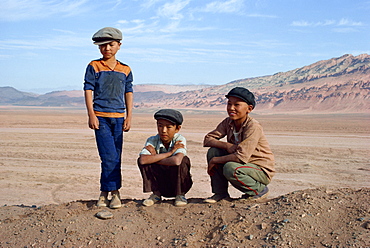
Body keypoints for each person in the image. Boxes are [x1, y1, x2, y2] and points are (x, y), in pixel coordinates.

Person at [83, 27, 133, 209]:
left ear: (119, 45)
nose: (107, 49)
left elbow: (128, 92)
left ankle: (108, 193)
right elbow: (88, 90)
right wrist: (91, 114)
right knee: (109, 156)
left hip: (119, 118)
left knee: (116, 157)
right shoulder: (93, 66)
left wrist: (129, 116)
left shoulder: (125, 69)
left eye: (111, 45)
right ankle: (112, 192)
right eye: (102, 46)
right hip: (101, 117)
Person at [203, 87, 275, 203]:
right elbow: (208, 139)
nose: (231, 108)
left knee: (230, 168)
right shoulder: (228, 122)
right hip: (244, 165)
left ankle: (260, 190)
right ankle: (220, 194)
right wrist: (228, 146)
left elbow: (241, 157)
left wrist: (215, 160)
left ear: (249, 109)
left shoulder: (253, 126)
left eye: (237, 105)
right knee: (213, 151)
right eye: (229, 104)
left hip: (259, 170)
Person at [138, 109, 193, 207]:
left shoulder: (179, 140)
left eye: (169, 127)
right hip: (161, 183)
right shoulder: (152, 140)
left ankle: (180, 195)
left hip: (176, 183)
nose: (163, 130)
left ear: (177, 129)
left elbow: (176, 161)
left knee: (184, 160)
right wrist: (170, 153)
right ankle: (156, 194)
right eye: (160, 126)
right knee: (142, 160)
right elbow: (143, 160)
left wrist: (154, 158)